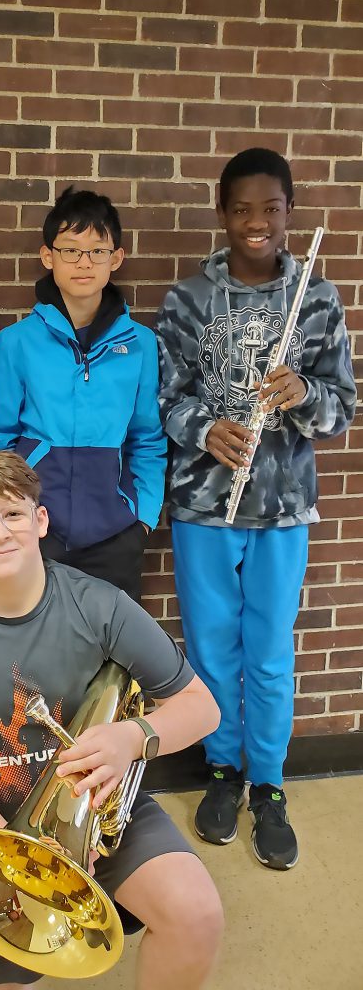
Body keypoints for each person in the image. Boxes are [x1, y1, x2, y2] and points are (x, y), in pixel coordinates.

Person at [0, 451, 224, 990]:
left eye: (12, 514)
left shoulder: (99, 604)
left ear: (40, 521)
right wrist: (20, 857)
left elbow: (203, 707)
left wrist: (132, 737)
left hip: (99, 812)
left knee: (196, 915)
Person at [154, 147, 356, 870]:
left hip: (281, 511)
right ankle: (221, 771)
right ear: (222, 214)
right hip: (205, 507)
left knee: (269, 654)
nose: (256, 223)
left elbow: (343, 411)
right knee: (211, 655)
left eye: (271, 208)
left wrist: (305, 395)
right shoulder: (186, 301)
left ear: (289, 212)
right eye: (241, 209)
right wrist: (207, 430)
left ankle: (267, 784)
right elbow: (164, 400)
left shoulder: (319, 297)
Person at [0, 187, 165, 603]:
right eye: (70, 250)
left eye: (97, 251)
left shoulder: (140, 344)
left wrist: (142, 519)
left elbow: (148, 439)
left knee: (111, 659)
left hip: (115, 533)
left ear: (115, 259)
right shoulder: (15, 343)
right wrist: (10, 518)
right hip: (35, 530)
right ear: (48, 256)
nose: (83, 263)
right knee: (34, 656)